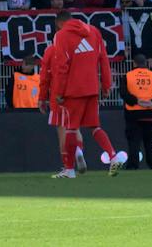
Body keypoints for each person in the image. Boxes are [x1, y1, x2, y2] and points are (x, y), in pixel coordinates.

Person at [39, 10, 122, 178]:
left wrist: (59, 92)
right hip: (92, 88)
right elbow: (103, 59)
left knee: (70, 129)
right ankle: (113, 157)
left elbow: (62, 66)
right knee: (95, 127)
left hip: (73, 90)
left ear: (59, 24)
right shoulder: (94, 31)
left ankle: (69, 170)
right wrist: (106, 85)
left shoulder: (61, 36)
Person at [120, 54, 152, 170]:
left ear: (134, 63)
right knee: (150, 141)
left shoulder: (128, 76)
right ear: (146, 63)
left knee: (134, 141)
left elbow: (123, 93)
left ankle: (133, 165)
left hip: (133, 114)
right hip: (151, 114)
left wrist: (136, 101)